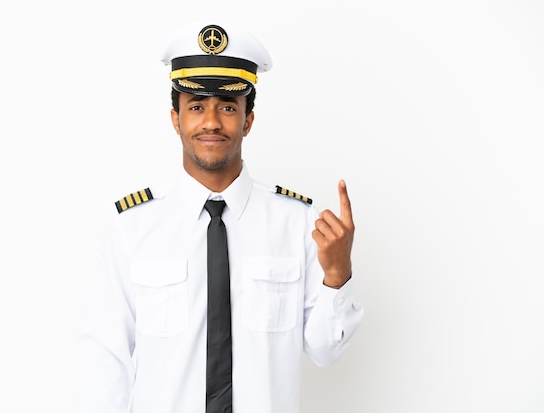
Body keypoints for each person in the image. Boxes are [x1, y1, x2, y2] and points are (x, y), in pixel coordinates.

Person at [78, 22, 364, 413]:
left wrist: (337, 275)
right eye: (196, 106)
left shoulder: (297, 223)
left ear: (247, 120)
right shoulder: (132, 226)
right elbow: (105, 359)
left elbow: (325, 351)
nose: (211, 121)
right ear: (175, 118)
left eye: (228, 106)